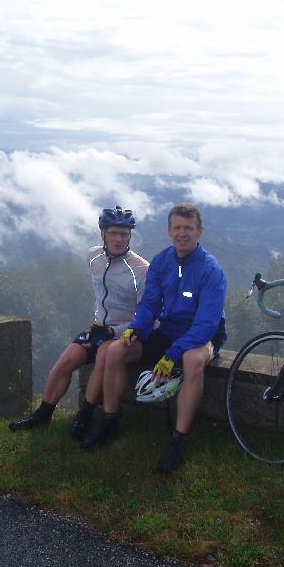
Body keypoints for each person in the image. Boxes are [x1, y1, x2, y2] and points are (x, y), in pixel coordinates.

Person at [81, 203, 227, 473]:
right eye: (177, 228)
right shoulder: (162, 262)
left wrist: (172, 355)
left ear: (199, 231)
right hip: (168, 330)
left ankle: (178, 439)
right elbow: (149, 304)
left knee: (193, 361)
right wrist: (136, 328)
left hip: (200, 335)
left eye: (188, 228)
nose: (182, 233)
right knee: (115, 351)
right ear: (169, 230)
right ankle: (111, 420)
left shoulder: (211, 270)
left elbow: (206, 324)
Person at [9, 206, 149, 438]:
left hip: (124, 332)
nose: (118, 239)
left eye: (124, 234)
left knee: (104, 356)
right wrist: (98, 326)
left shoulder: (141, 269)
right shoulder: (93, 256)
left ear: (130, 236)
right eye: (113, 233)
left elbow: (146, 315)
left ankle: (84, 415)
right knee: (65, 362)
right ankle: (42, 415)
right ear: (102, 234)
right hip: (98, 326)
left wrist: (116, 330)